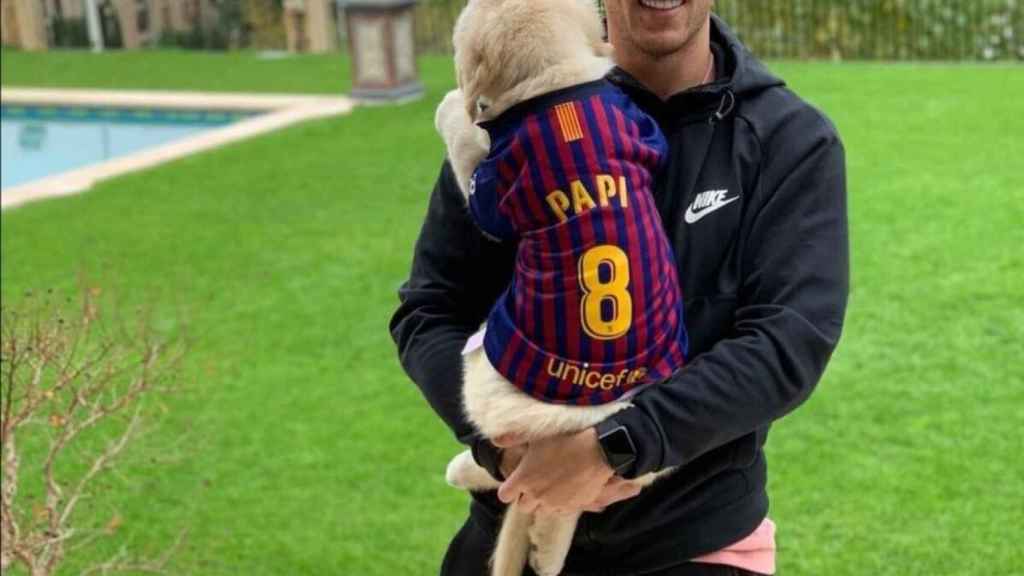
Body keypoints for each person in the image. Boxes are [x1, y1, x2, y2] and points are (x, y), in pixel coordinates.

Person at [389, 0, 849, 574]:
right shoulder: (517, 106)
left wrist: (616, 446)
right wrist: (502, 448)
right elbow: (430, 310)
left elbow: (788, 343)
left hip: (691, 543)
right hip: (507, 520)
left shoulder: (789, 139)